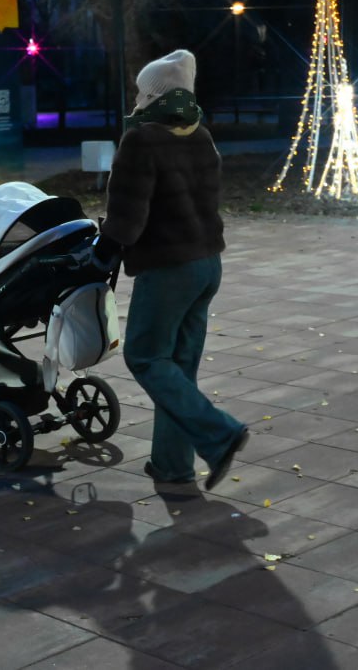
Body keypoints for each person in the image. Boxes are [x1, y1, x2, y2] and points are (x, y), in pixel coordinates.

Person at [91, 49, 248, 490]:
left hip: (169, 269)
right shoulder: (200, 135)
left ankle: (220, 434)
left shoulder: (141, 140)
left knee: (145, 356)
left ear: (154, 95)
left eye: (143, 91)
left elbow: (127, 219)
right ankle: (173, 468)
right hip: (206, 265)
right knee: (177, 367)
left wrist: (103, 249)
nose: (138, 99)